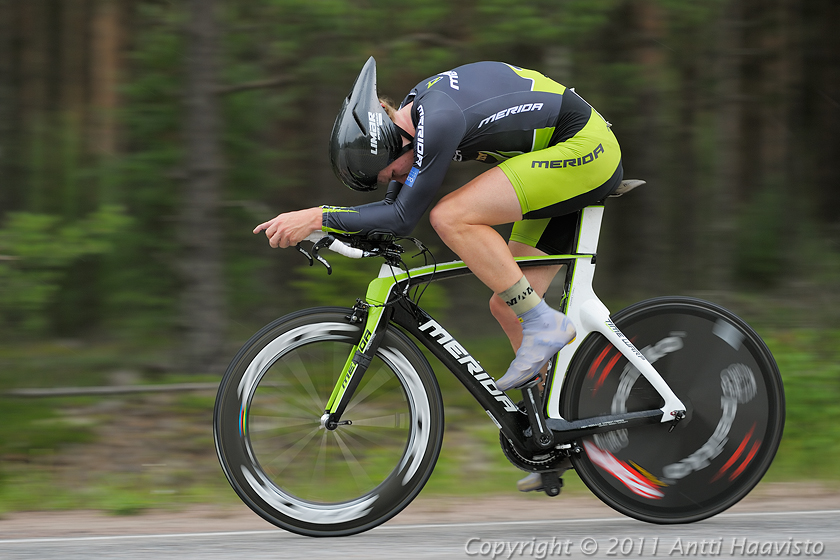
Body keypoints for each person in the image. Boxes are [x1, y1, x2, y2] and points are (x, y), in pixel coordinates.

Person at [255, 56, 622, 405]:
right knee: (510, 303)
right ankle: (556, 433)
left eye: (392, 173)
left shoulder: (439, 117)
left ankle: (545, 324)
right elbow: (389, 213)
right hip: (559, 161)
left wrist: (319, 216)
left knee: (450, 216)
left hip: (584, 148)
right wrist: (331, 229)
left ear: (392, 142)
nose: (396, 179)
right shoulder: (414, 121)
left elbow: (400, 217)